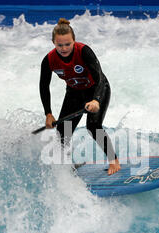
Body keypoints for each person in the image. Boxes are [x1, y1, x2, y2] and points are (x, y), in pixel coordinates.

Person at [39, 18, 121, 175]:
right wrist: (48, 113)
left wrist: (96, 100)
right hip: (74, 92)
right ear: (53, 43)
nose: (64, 48)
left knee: (93, 126)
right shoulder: (49, 60)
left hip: (97, 89)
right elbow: (44, 87)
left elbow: (100, 78)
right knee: (63, 132)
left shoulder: (84, 51)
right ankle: (67, 167)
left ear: (74, 41)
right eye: (59, 45)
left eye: (67, 44)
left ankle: (114, 161)